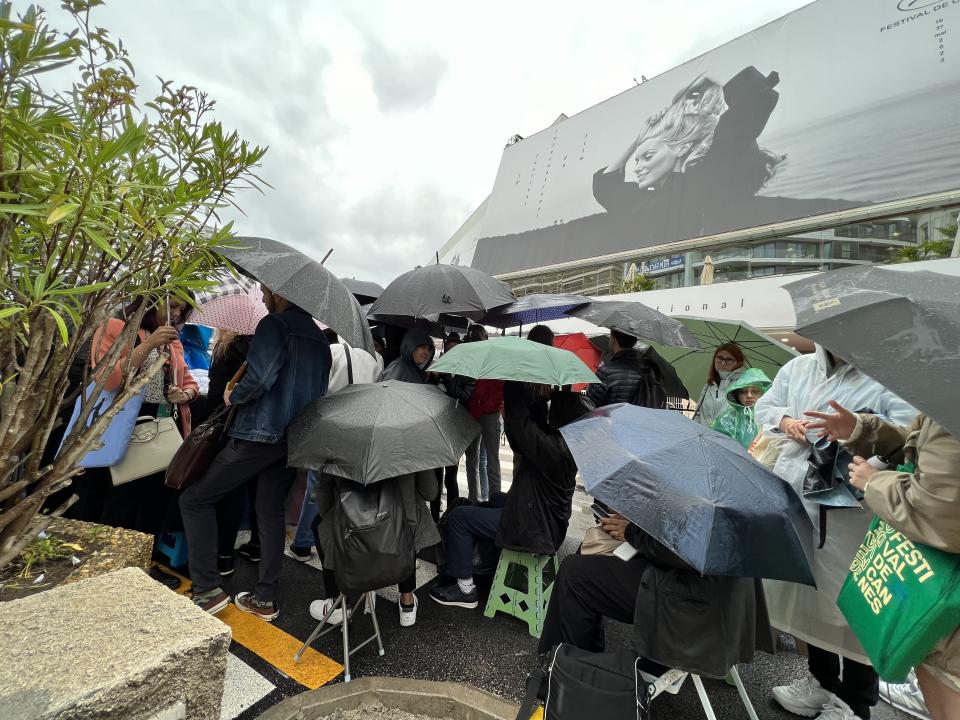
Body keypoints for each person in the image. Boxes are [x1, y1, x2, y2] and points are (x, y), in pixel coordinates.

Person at [754, 346, 916, 720]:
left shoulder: (888, 374)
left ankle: (856, 702)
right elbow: (768, 405)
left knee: (858, 601)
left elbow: (908, 439)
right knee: (808, 591)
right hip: (797, 499)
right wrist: (785, 422)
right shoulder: (798, 368)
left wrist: (847, 447)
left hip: (853, 509)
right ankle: (821, 680)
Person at [180, 286, 331, 620]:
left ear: (281, 293)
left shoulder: (274, 326)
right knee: (270, 511)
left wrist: (235, 394)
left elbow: (261, 377)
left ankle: (206, 590)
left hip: (258, 434)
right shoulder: (321, 342)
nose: (262, 298)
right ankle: (265, 597)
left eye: (266, 292)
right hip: (293, 439)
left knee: (195, 499)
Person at [804, 402, 960, 720]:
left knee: (946, 694)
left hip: (944, 592)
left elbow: (941, 511)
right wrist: (862, 430)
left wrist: (874, 482)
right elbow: (923, 448)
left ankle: (854, 701)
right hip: (939, 588)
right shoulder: (944, 391)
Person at [537, 515, 774, 679]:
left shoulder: (700, 488)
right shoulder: (722, 484)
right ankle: (578, 661)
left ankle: (570, 672)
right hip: (714, 597)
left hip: (691, 603)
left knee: (575, 572)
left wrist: (632, 532)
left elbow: (680, 548)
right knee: (586, 565)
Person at [429, 383, 591, 609]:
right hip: (542, 519)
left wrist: (513, 386)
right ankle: (486, 561)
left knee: (459, 518)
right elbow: (525, 440)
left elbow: (522, 428)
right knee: (495, 499)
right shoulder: (565, 444)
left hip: (535, 528)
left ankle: (465, 588)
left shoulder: (554, 450)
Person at [89, 296, 198, 534]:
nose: (177, 313)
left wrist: (185, 393)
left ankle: (139, 561)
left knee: (153, 501)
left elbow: (189, 380)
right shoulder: (116, 328)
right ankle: (111, 561)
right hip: (124, 427)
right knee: (120, 499)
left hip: (162, 427)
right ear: (151, 300)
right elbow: (106, 381)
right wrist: (148, 345)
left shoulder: (172, 341)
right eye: (172, 305)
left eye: (183, 308)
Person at [287, 335, 384, 561]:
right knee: (349, 485)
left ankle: (302, 543)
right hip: (360, 430)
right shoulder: (376, 357)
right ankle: (348, 540)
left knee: (317, 486)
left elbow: (318, 389)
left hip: (329, 427)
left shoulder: (331, 351)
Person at [308, 470, 439, 628]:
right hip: (401, 528)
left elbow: (323, 499)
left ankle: (337, 606)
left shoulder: (338, 446)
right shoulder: (413, 446)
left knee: (321, 525)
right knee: (405, 517)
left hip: (354, 525)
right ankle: (407, 601)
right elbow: (430, 493)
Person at [431, 332, 471, 521]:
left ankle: (452, 515)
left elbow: (464, 397)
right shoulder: (438, 367)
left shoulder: (466, 371)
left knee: (451, 476)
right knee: (436, 474)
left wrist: (446, 378)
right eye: (448, 349)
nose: (451, 352)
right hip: (437, 426)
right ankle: (434, 515)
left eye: (455, 349)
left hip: (455, 427)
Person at [464, 325, 503, 502]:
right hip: (477, 413)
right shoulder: (468, 358)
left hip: (486, 413)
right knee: (475, 462)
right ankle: (476, 499)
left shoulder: (493, 358)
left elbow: (499, 387)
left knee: (487, 462)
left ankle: (492, 500)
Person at [586, 329, 667, 409]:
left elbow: (589, 406)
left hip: (612, 421)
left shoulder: (605, 372)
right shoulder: (647, 369)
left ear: (613, 340)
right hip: (640, 420)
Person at [710, 367, 772, 448]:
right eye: (743, 391)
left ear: (764, 393)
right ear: (736, 394)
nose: (749, 395)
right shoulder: (726, 419)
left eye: (755, 391)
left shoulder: (773, 416)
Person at [693, 343, 746, 426]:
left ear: (739, 363)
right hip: (702, 436)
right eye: (720, 358)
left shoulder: (742, 386)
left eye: (729, 359)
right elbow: (698, 413)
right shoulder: (709, 386)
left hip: (726, 437)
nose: (723, 363)